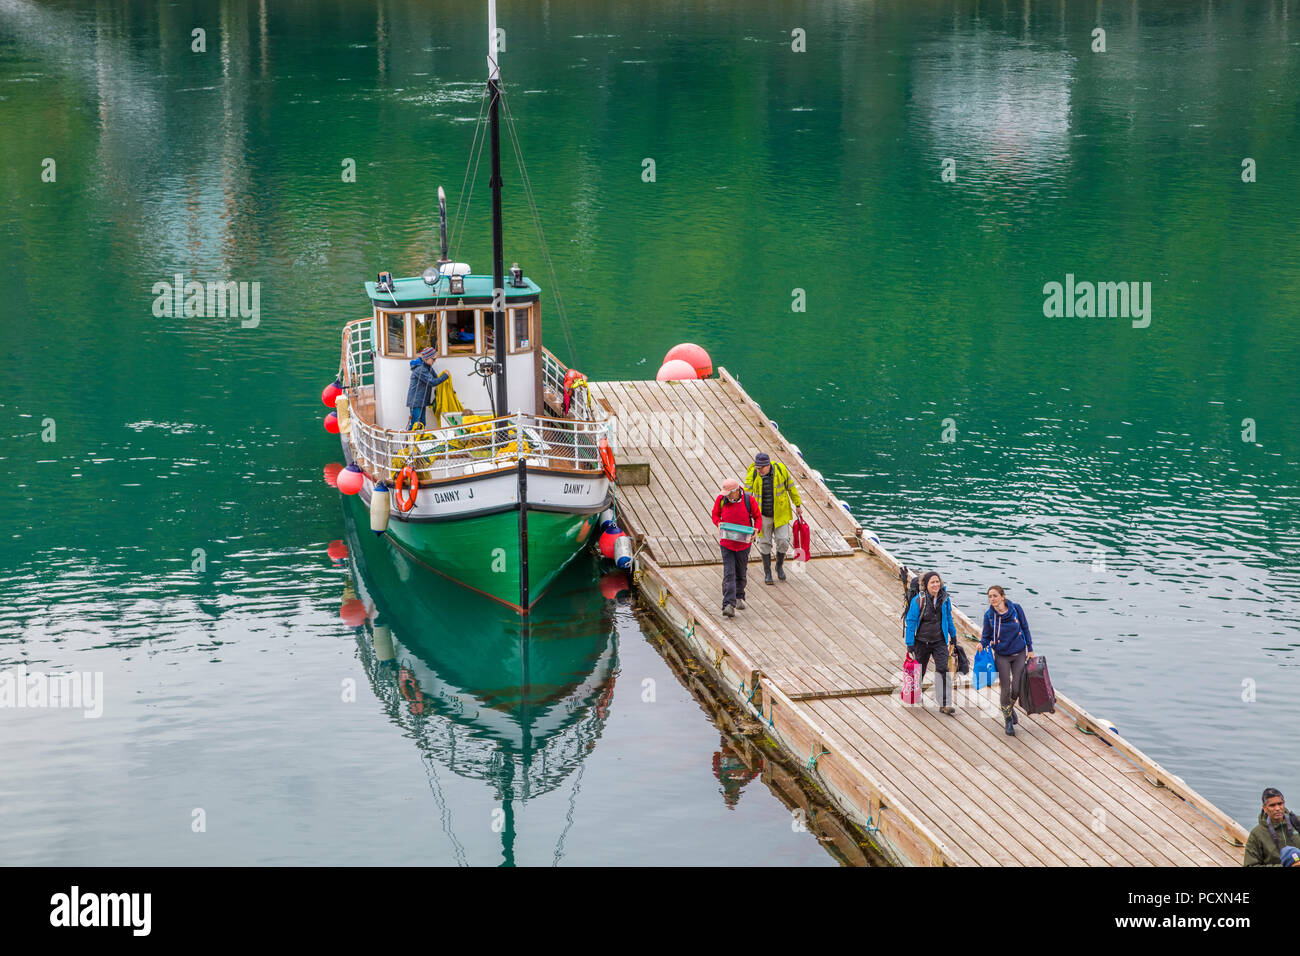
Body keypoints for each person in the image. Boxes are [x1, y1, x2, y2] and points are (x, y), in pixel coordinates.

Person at [981, 585, 1034, 736]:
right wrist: (981, 644)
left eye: (995, 596)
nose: (992, 599)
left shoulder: (1016, 609)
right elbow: (986, 636)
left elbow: (1025, 628)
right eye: (990, 597)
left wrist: (1030, 649)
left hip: (1019, 652)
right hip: (1002, 655)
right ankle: (1008, 720)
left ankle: (1009, 708)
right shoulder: (989, 616)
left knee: (1017, 686)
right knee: (1006, 688)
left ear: (1002, 597)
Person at [743, 451, 803, 585]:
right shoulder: (752, 473)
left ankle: (779, 566)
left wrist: (797, 504)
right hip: (763, 515)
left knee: (783, 541)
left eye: (760, 468)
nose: (758, 471)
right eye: (757, 468)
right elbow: (746, 494)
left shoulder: (781, 470)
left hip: (781, 513)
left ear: (768, 465)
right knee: (764, 544)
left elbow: (791, 488)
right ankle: (768, 573)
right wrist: (745, 513)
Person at [903, 571, 957, 714]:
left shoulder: (945, 599)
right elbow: (911, 621)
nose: (935, 584)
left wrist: (954, 635)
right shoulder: (918, 600)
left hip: (940, 641)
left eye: (937, 581)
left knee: (942, 670)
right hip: (921, 642)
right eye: (932, 582)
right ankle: (915, 694)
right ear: (926, 585)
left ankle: (944, 703)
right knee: (919, 671)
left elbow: (948, 619)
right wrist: (910, 643)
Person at [710, 478, 759, 618]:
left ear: (736, 491)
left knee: (741, 572)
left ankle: (739, 595)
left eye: (728, 494)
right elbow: (715, 515)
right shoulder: (721, 499)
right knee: (729, 573)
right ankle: (728, 605)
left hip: (744, 544)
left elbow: (757, 517)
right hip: (727, 543)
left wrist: (757, 530)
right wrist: (718, 523)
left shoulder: (749, 500)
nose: (726, 496)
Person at [1244, 788, 1300, 866]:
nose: (1277, 808)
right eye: (1272, 805)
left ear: (1284, 804)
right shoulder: (1257, 834)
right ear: (1264, 808)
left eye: (1280, 804)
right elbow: (1250, 865)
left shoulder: (1297, 822)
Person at [406, 347, 448, 430]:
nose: (434, 361)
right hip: (416, 401)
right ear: (427, 358)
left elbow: (435, 377)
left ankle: (417, 441)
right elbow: (433, 382)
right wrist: (445, 376)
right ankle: (411, 441)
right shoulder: (420, 369)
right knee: (416, 424)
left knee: (422, 423)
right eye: (433, 359)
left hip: (422, 401)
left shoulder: (428, 367)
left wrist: (443, 377)